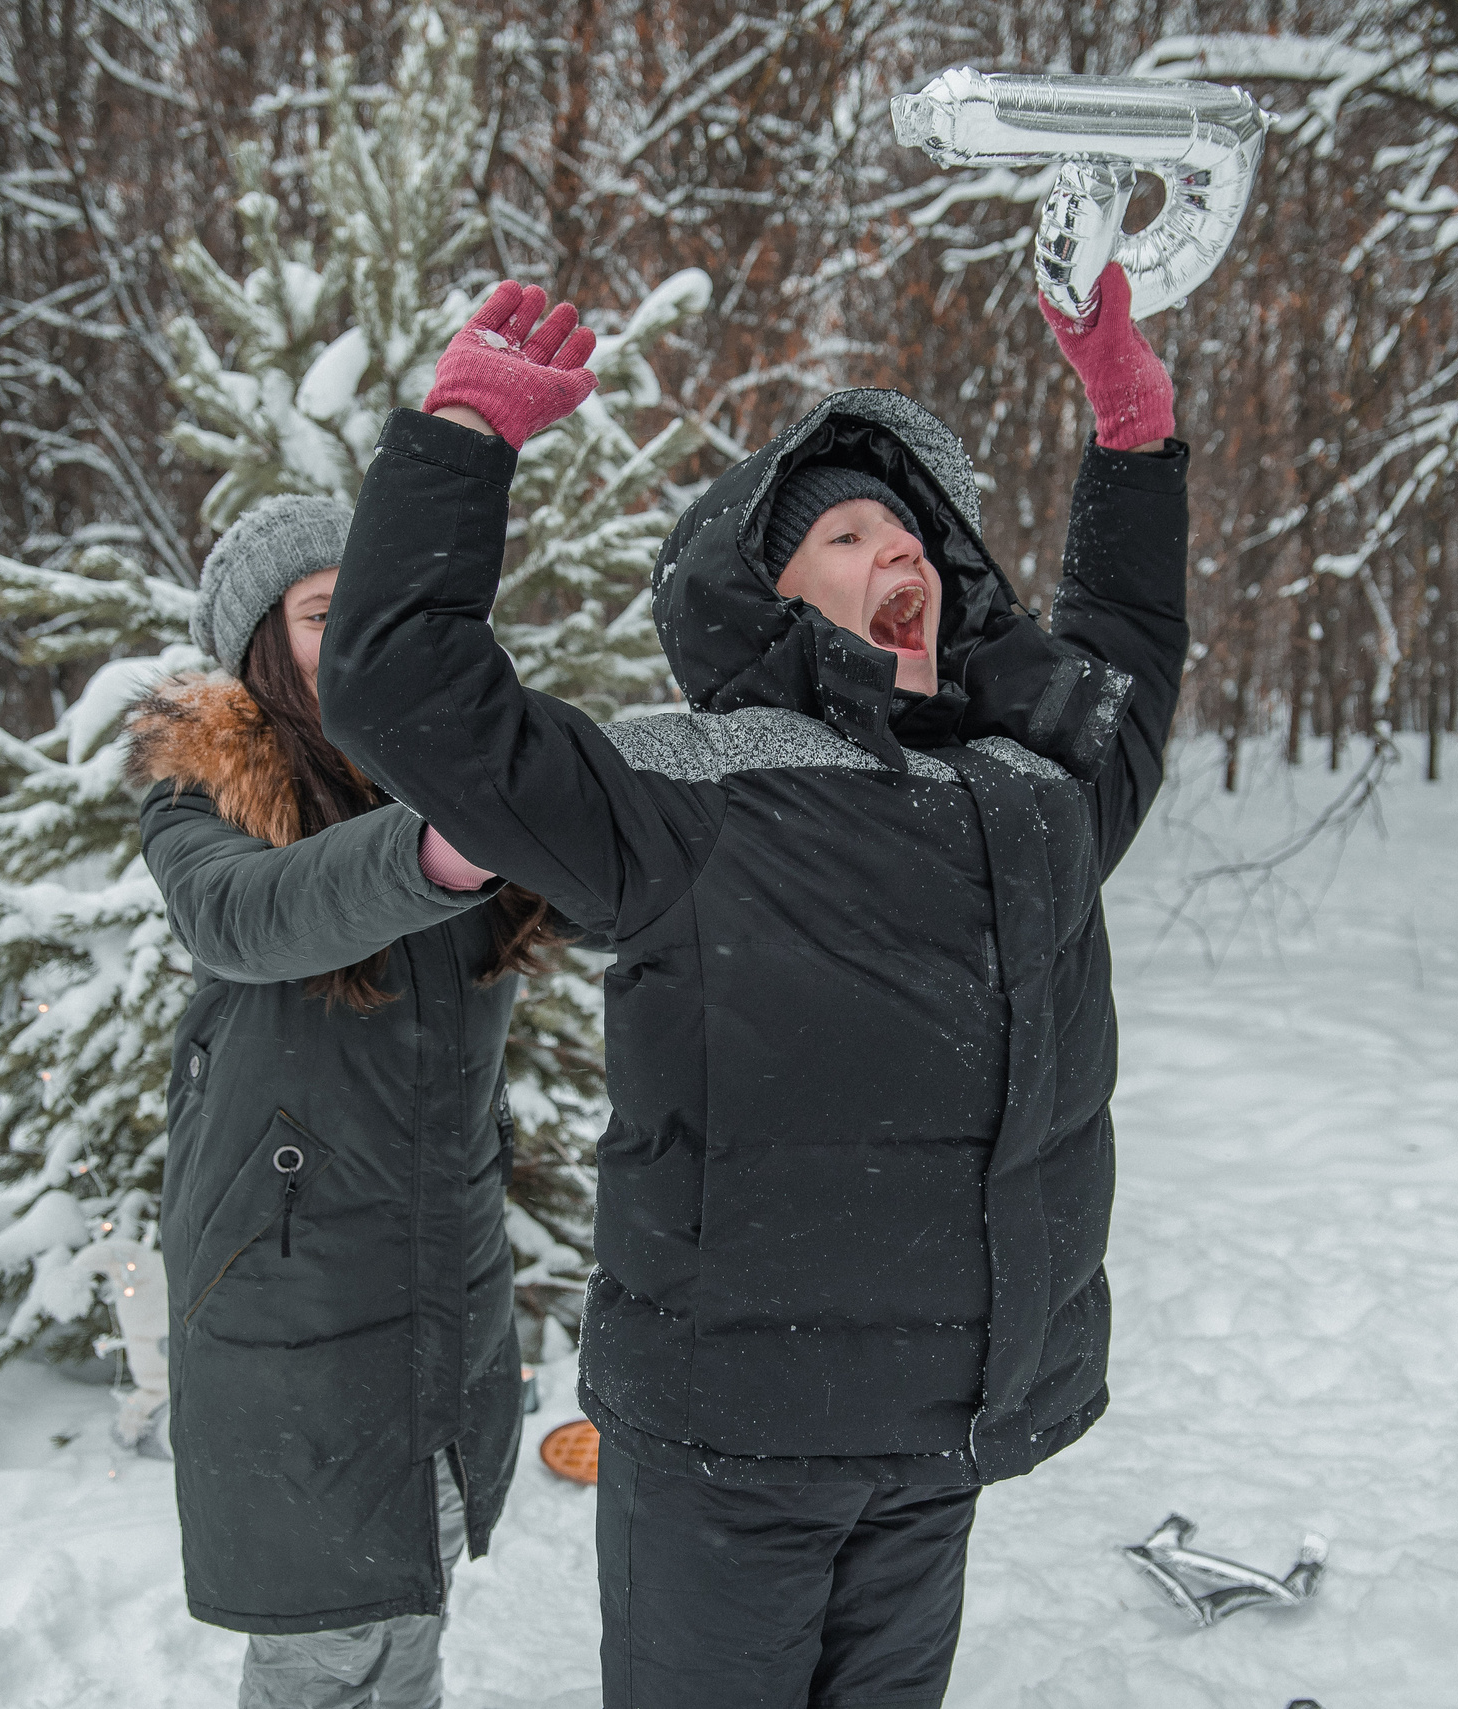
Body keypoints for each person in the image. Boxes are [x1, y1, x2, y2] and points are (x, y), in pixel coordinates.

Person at [320, 267, 1187, 1709]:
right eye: (844, 531)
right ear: (767, 598)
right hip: (731, 1446)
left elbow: (1130, 651)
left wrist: (1133, 435)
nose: (894, 543)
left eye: (909, 526)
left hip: (934, 1442)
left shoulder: (1033, 796)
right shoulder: (685, 790)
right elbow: (403, 689)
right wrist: (465, 436)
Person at [131, 493, 560, 1709]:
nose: (359, 630)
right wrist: (440, 848)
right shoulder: (207, 785)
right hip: (289, 1285)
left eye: (376, 604)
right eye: (325, 611)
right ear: (265, 645)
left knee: (412, 1596)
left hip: (443, 1268)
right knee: (324, 1635)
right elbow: (242, 917)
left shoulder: (454, 762)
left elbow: (614, 889)